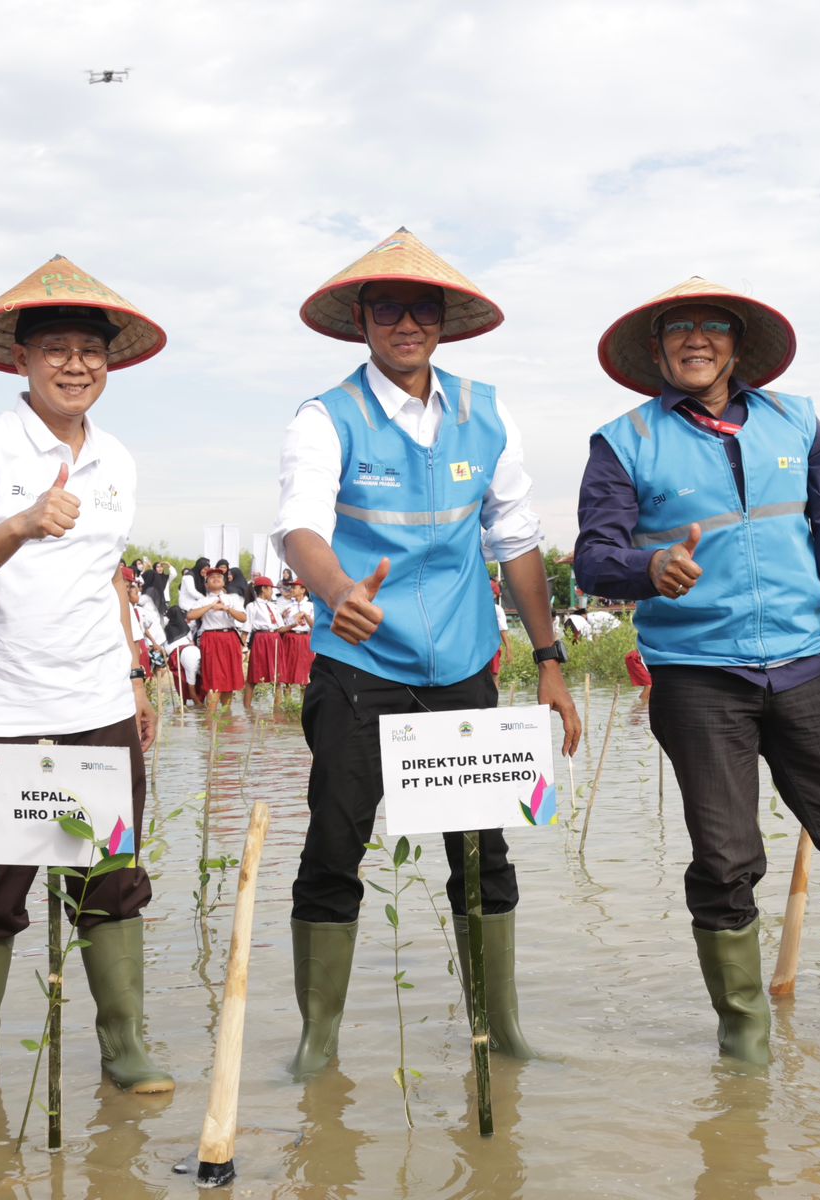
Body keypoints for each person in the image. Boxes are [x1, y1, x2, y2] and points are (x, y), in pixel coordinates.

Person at [574, 275, 820, 1064]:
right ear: (658, 348)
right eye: (678, 328)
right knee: (728, 859)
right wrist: (651, 567)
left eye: (712, 327)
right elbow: (596, 559)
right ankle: (744, 1036)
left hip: (807, 668)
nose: (695, 339)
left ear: (738, 345)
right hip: (697, 677)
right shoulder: (623, 441)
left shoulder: (796, 422)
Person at [277, 227, 582, 1076]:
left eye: (420, 308)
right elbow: (300, 526)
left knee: (482, 852)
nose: (404, 323)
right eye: (386, 309)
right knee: (335, 849)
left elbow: (515, 540)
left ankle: (501, 1030)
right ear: (362, 321)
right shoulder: (325, 416)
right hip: (359, 668)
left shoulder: (488, 413)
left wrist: (549, 659)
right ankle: (319, 1044)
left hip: (463, 675)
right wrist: (338, 592)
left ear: (442, 321)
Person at [0, 255, 170, 1105]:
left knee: (109, 883)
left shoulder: (119, 461)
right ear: (19, 360)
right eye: (55, 348)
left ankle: (124, 1046)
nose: (75, 364)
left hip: (94, 703)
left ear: (110, 362)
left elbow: (107, 574)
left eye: (90, 350)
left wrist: (135, 673)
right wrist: (23, 522)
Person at [186, 564, 246, 714]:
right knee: (214, 680)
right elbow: (190, 616)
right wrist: (211, 606)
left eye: (219, 577)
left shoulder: (232, 599)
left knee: (229, 681)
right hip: (212, 638)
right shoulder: (203, 600)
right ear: (206, 584)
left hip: (230, 637)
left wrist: (227, 609)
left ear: (224, 581)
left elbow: (243, 618)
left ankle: (227, 717)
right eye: (212, 577)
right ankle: (210, 720)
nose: (216, 578)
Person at [243, 575, 282, 709]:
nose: (272, 592)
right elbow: (246, 628)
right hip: (261, 639)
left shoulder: (274, 606)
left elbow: (280, 627)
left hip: (275, 639)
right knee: (254, 676)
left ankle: (277, 709)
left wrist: (295, 623)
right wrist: (243, 648)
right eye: (270, 589)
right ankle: (247, 708)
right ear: (264, 589)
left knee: (278, 677)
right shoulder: (252, 606)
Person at [276, 580, 314, 701]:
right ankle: (287, 702)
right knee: (288, 669)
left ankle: (304, 703)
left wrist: (305, 615)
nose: (291, 590)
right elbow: (281, 624)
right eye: (291, 587)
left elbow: (314, 625)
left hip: (304, 638)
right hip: (289, 638)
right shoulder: (287, 606)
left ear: (303, 590)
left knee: (305, 670)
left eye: (294, 587)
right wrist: (283, 616)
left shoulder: (311, 606)